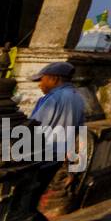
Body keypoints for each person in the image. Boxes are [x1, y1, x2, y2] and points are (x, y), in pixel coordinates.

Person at [29, 62, 87, 200]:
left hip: (40, 154)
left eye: (41, 80)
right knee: (35, 196)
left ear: (53, 79)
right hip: (57, 156)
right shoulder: (78, 98)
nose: (40, 85)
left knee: (26, 197)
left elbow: (34, 126)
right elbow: (78, 130)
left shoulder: (52, 98)